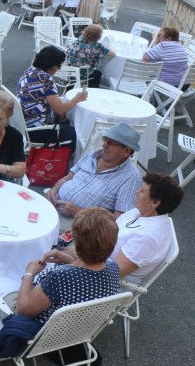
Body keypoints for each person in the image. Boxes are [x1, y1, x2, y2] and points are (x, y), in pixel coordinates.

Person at [45, 173, 183, 286]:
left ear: (155, 203)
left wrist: (73, 260)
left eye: (142, 191)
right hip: (94, 259)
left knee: (40, 270)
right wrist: (84, 230)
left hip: (99, 283)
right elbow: (111, 230)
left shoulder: (148, 237)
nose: (136, 192)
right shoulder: (139, 212)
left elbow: (111, 276)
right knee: (47, 248)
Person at [15, 209, 120, 326]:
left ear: (76, 240)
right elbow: (87, 275)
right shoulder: (114, 268)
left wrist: (29, 273)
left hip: (39, 333)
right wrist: (70, 260)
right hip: (74, 331)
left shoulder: (59, 277)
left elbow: (23, 311)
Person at [46, 123, 142, 228]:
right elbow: (67, 178)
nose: (104, 144)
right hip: (52, 205)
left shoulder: (131, 177)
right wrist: (54, 190)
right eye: (105, 139)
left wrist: (80, 213)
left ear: (126, 151)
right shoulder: (91, 155)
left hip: (81, 224)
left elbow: (121, 219)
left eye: (111, 142)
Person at [16, 46, 86, 148]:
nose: (60, 68)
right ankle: (58, 160)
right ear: (51, 65)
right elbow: (59, 109)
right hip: (36, 131)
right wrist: (77, 99)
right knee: (75, 134)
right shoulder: (46, 79)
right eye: (58, 65)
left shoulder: (30, 71)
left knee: (65, 121)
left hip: (24, 124)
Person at [65, 24, 115, 88]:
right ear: (98, 36)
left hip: (68, 69)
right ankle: (92, 92)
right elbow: (113, 54)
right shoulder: (96, 47)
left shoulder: (81, 38)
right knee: (97, 73)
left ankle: (69, 89)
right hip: (81, 72)